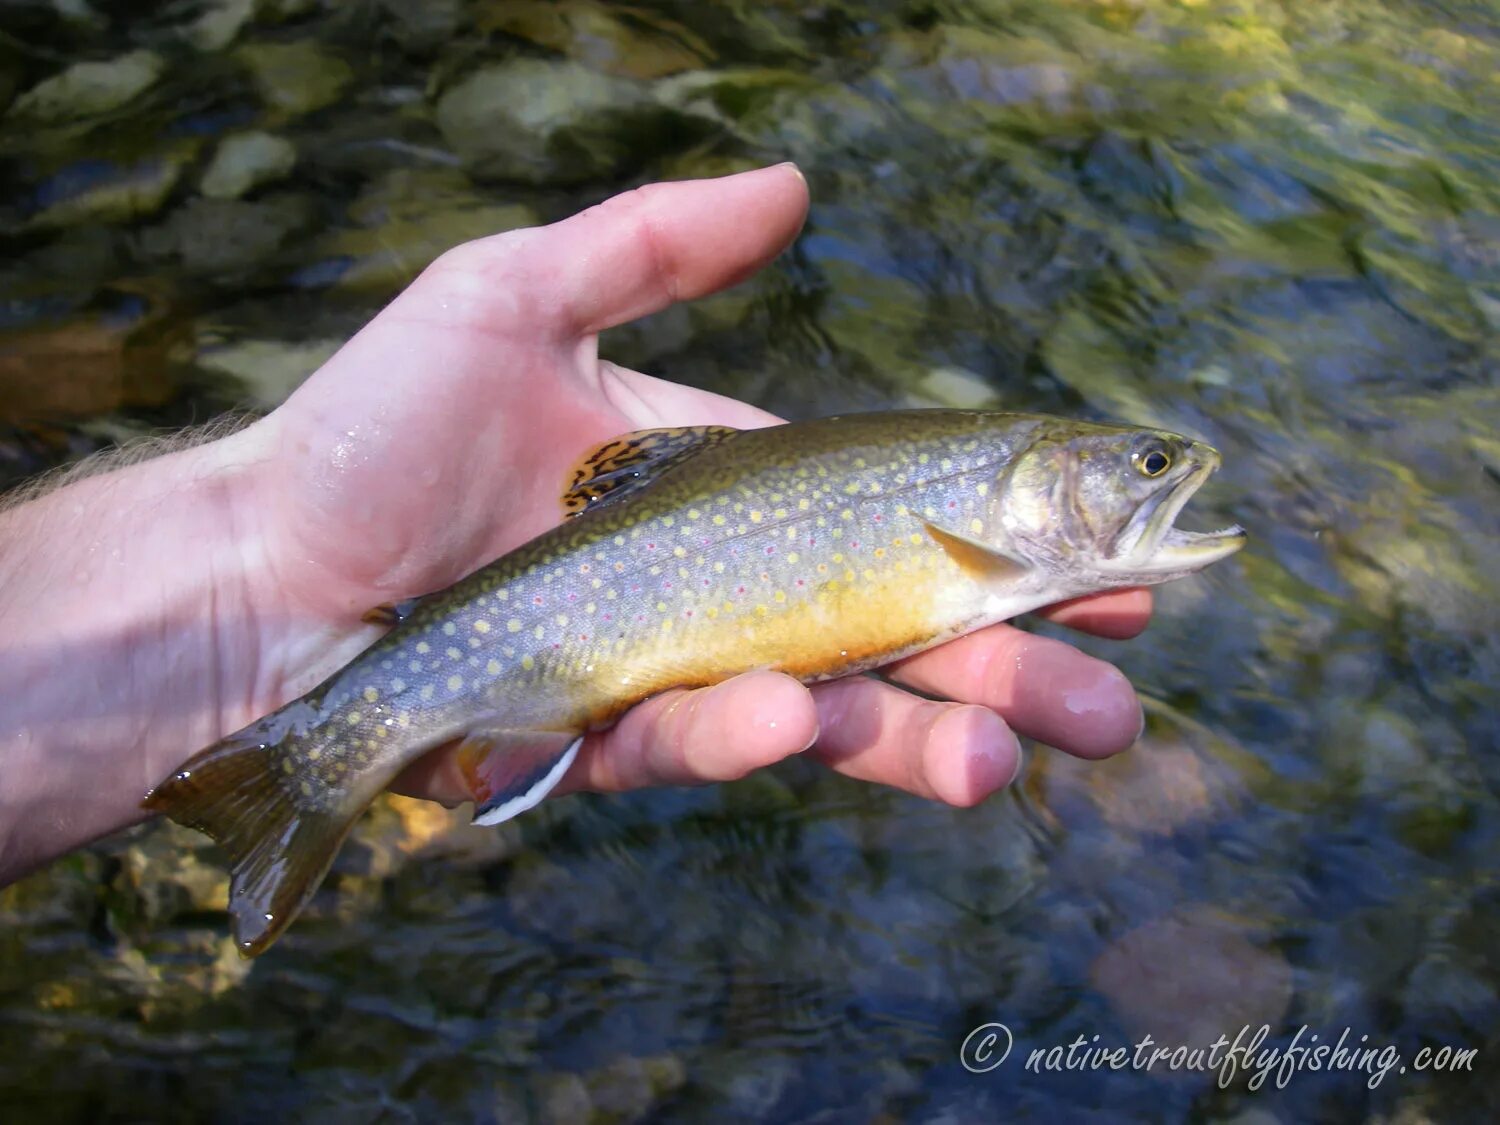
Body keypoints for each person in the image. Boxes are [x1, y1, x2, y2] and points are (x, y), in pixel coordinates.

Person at [0, 164, 1149, 887]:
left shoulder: (990, 523)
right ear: (1039, 478)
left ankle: (310, 759)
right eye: (1145, 468)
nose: (1161, 479)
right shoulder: (981, 508)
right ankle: (311, 761)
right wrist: (259, 559)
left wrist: (231, 592)